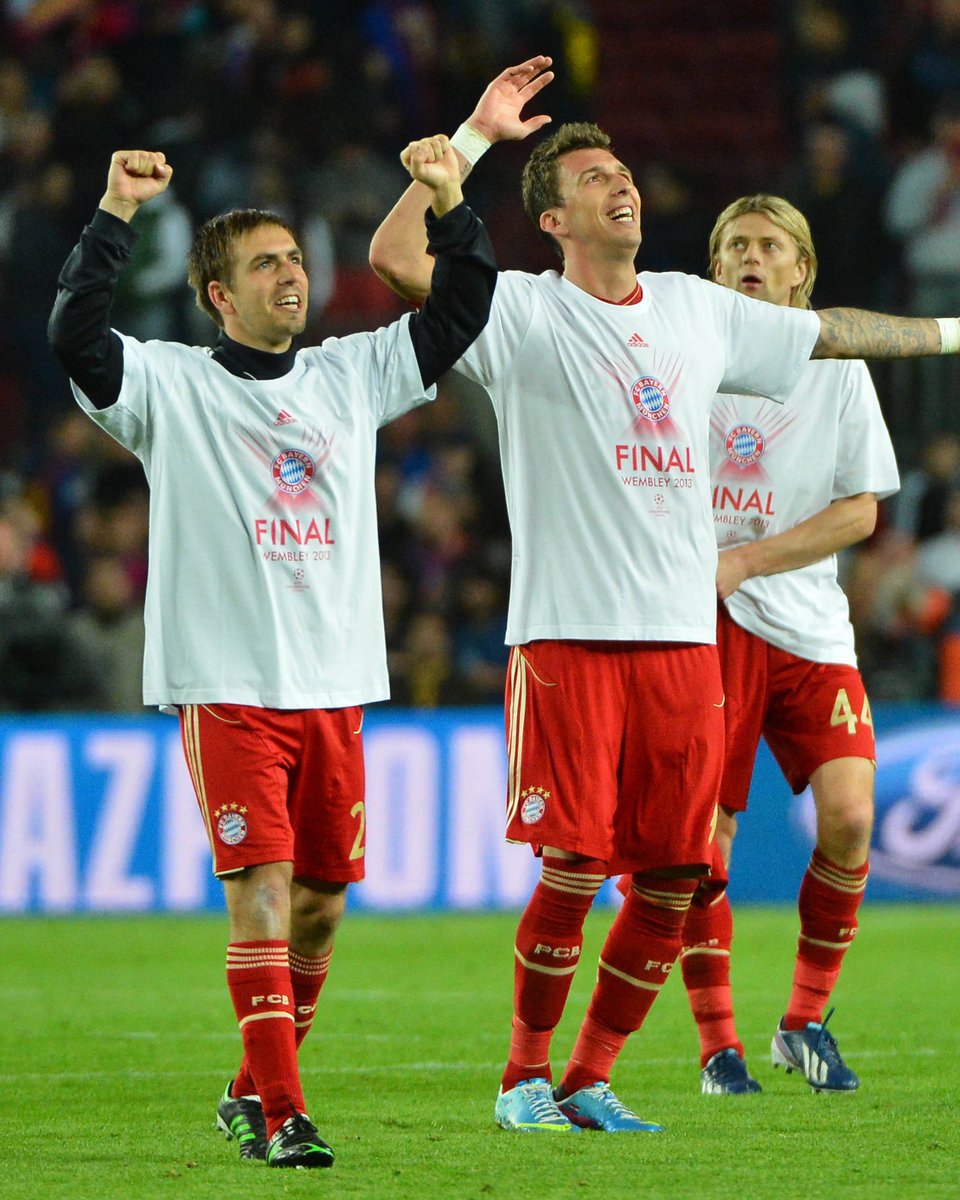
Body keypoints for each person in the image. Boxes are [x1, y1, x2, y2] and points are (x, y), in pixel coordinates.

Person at [369, 56, 960, 1134]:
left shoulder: (698, 310)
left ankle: (591, 1076)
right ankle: (521, 1080)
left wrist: (958, 333)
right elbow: (399, 255)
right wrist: (478, 133)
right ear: (552, 218)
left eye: (625, 171)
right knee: (575, 862)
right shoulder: (518, 315)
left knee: (678, 872)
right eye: (595, 178)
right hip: (570, 637)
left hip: (685, 642)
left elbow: (831, 332)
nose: (622, 184)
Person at [48, 143, 496, 1167]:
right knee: (259, 891)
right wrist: (115, 208)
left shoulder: (350, 374)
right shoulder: (172, 385)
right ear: (217, 294)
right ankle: (286, 1117)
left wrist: (451, 192)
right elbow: (75, 336)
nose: (291, 273)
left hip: (334, 687)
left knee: (322, 911)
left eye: (294, 257)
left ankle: (252, 1087)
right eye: (263, 264)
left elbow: (464, 308)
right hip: (229, 685)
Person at [675, 195, 899, 1098]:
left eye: (771, 246)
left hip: (806, 619)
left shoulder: (836, 365)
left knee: (850, 816)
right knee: (704, 839)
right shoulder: (682, 351)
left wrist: (750, 560)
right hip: (702, 623)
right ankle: (718, 1045)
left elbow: (862, 507)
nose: (752, 259)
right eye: (735, 246)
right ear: (715, 267)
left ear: (804, 268)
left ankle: (803, 1022)